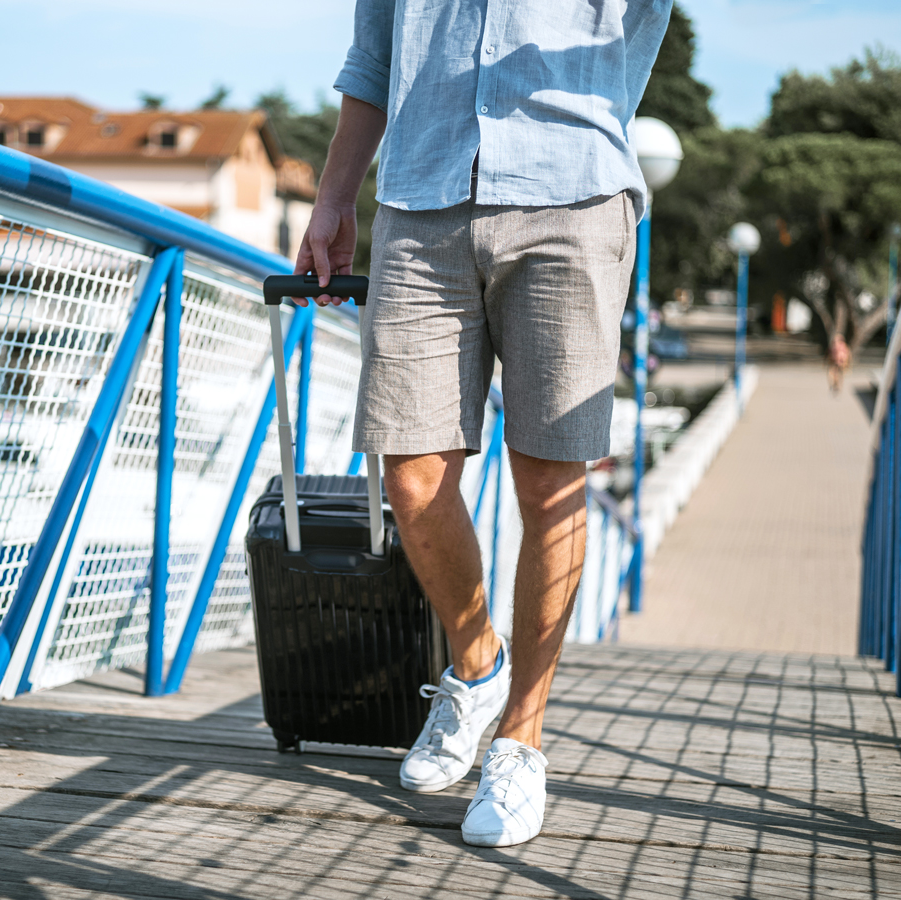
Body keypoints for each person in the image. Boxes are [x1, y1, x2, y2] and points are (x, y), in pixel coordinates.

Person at [293, 0, 672, 848]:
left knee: (551, 481)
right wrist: (334, 198)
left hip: (571, 195)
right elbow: (372, 60)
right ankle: (477, 665)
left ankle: (521, 740)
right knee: (411, 472)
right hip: (422, 196)